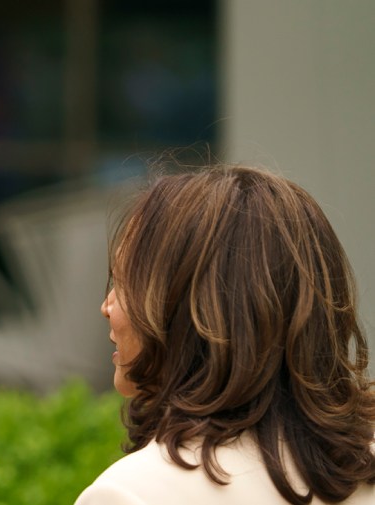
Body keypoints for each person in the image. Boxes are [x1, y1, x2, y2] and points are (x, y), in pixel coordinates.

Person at [75, 165, 375, 504]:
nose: (106, 306)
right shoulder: (362, 467)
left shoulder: (130, 493)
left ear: (185, 311)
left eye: (124, 282)